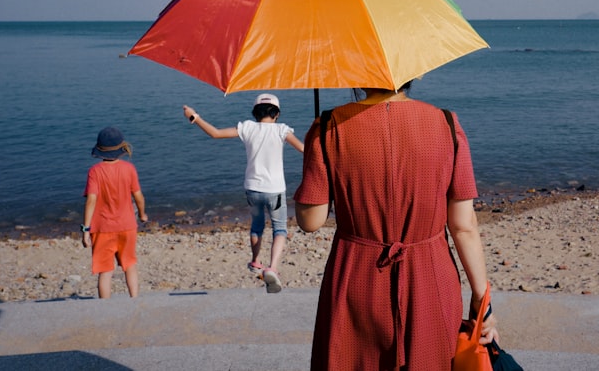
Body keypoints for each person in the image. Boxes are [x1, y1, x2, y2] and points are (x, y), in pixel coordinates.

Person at [294, 83, 498, 370]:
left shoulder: (328, 127)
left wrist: (314, 163)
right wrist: (481, 299)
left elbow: (311, 221)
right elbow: (464, 226)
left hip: (356, 277)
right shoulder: (447, 124)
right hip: (430, 276)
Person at [183, 93, 304, 293]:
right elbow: (304, 149)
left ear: (255, 112)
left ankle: (256, 261)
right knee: (280, 229)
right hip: (275, 190)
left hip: (253, 189)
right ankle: (272, 267)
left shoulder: (247, 127)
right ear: (277, 114)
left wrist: (194, 116)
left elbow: (215, 133)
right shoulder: (281, 130)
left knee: (256, 226)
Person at [81, 126, 148, 299]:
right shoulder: (129, 169)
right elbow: (138, 196)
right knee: (130, 264)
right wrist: (142, 214)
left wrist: (86, 229)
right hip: (127, 225)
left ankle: (106, 308)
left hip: (102, 227)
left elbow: (91, 200)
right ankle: (134, 300)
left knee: (105, 270)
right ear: (121, 148)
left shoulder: (95, 172)